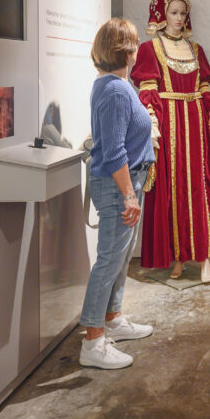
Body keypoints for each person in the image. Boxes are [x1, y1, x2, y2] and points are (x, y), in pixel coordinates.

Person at [131, 0, 210, 283]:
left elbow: (204, 89)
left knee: (199, 187)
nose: (179, 19)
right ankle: (178, 258)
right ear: (161, 15)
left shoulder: (196, 49)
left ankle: (203, 257)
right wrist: (153, 123)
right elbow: (147, 90)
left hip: (195, 124)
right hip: (169, 123)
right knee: (172, 189)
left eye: (183, 13)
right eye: (174, 13)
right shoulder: (150, 48)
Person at [79, 18, 155, 369]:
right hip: (117, 186)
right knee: (109, 260)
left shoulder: (117, 85)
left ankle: (113, 319)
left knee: (119, 259)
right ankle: (93, 342)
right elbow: (112, 151)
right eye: (135, 44)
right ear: (126, 51)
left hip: (126, 182)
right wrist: (129, 194)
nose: (138, 50)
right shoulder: (113, 90)